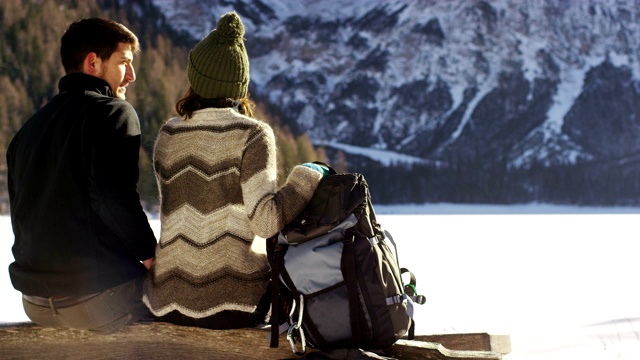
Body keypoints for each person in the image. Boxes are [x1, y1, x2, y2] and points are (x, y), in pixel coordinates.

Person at [142, 12, 328, 329]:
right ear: (240, 85)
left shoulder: (169, 134)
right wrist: (308, 175)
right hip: (232, 302)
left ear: (195, 78)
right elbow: (266, 220)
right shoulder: (253, 135)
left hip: (167, 301)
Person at [6, 18, 157, 334]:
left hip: (33, 302)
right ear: (93, 62)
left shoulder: (27, 131)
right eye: (124, 63)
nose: (130, 75)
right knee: (180, 311)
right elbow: (114, 196)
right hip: (93, 301)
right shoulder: (113, 113)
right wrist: (151, 256)